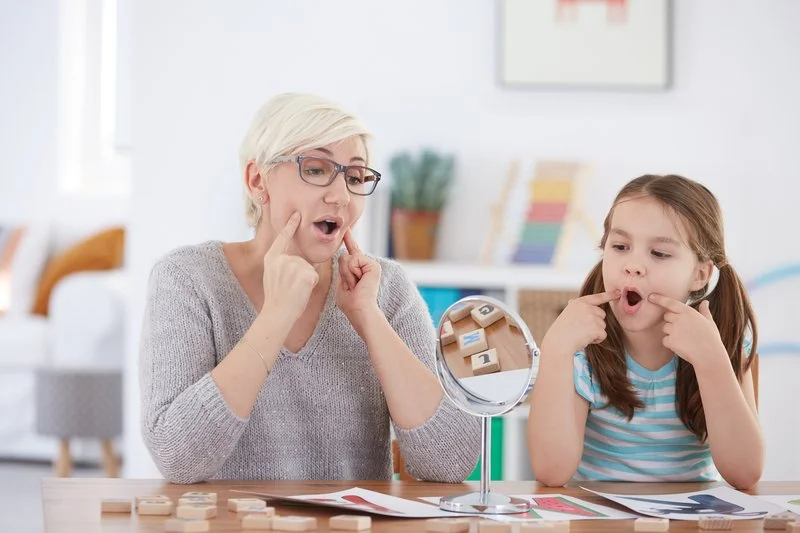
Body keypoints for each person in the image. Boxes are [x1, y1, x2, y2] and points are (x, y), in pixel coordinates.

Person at [139, 93, 481, 484]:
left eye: (354, 177)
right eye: (316, 170)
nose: (341, 196)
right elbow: (177, 457)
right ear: (257, 181)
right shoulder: (186, 279)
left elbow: (450, 462)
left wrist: (368, 317)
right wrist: (276, 316)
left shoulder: (386, 290)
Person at [527, 174, 764, 489]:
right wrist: (555, 351)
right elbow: (551, 471)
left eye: (660, 253)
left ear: (700, 274)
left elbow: (745, 473)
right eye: (621, 246)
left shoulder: (722, 337)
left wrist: (712, 361)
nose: (633, 265)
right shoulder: (582, 347)